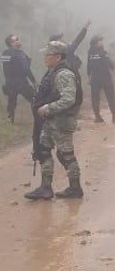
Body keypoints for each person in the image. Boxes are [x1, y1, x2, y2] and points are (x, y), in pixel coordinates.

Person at [25, 41, 84, 200]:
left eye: (48, 55)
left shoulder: (64, 74)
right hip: (52, 121)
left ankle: (75, 188)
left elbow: (68, 99)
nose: (45, 58)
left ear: (57, 57)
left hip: (61, 122)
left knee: (66, 155)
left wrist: (47, 108)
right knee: (43, 150)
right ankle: (45, 187)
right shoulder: (53, 71)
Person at [1, 34, 37, 123]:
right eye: (16, 40)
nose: (18, 41)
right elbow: (25, 69)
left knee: (12, 101)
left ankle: (10, 118)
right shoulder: (18, 53)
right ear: (11, 43)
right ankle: (40, 116)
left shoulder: (6, 53)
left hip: (12, 81)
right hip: (18, 81)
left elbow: (7, 66)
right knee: (33, 98)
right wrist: (33, 80)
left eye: (18, 39)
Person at [87, 35, 115, 123]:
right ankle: (100, 117)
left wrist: (89, 77)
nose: (102, 42)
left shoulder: (92, 52)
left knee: (97, 98)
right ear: (95, 43)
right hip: (103, 78)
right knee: (109, 97)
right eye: (100, 41)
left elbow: (89, 66)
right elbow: (110, 64)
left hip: (97, 78)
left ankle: (113, 116)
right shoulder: (102, 52)